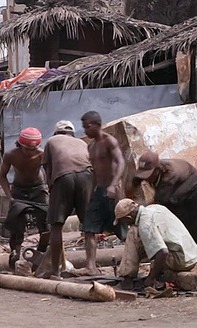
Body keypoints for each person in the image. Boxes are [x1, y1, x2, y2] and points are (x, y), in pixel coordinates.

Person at [130, 152, 197, 279]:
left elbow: (157, 203)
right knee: (170, 232)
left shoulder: (170, 176)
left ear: (157, 169)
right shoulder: (151, 175)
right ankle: (167, 271)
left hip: (192, 192)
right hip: (173, 195)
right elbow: (135, 183)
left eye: (149, 175)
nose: (146, 179)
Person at [114, 198, 197, 289]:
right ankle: (162, 274)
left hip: (180, 259)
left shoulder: (145, 224)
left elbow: (163, 252)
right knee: (137, 231)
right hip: (190, 256)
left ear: (128, 218)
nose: (124, 224)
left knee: (133, 232)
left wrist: (151, 278)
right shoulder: (155, 208)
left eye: (122, 221)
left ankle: (127, 278)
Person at [42, 120, 93, 277]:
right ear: (72, 133)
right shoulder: (82, 142)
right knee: (89, 226)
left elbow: (47, 168)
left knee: (56, 225)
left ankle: (55, 270)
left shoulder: (51, 141)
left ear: (57, 133)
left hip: (64, 176)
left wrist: (51, 187)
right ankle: (91, 266)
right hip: (86, 175)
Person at [82, 111, 127, 275]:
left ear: (97, 124)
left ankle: (129, 265)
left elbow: (120, 162)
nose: (85, 130)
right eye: (84, 127)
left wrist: (114, 185)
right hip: (99, 191)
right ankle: (90, 266)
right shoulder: (91, 146)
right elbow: (95, 171)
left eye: (88, 126)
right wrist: (92, 191)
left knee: (123, 231)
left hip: (112, 191)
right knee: (89, 229)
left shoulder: (109, 141)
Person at [0, 127, 49, 268]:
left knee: (46, 223)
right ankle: (14, 252)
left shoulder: (41, 155)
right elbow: (2, 177)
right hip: (19, 190)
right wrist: (10, 197)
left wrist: (48, 189)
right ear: (20, 145)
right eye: (27, 149)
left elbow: (49, 174)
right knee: (16, 223)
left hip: (38, 189)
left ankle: (40, 254)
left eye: (33, 150)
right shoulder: (10, 155)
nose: (30, 153)